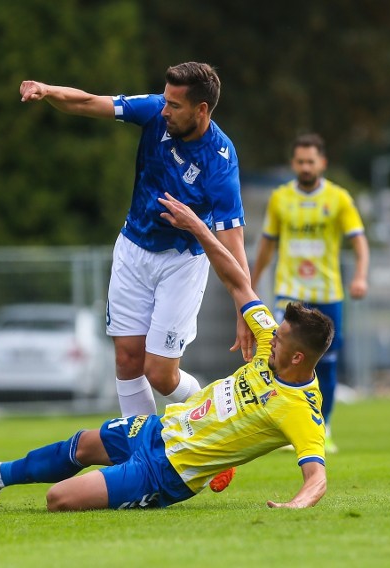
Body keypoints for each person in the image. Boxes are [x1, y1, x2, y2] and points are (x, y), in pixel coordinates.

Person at [0, 192, 333, 511]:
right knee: (82, 444)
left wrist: (293, 506)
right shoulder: (270, 339)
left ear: (298, 358)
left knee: (59, 500)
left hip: (169, 471)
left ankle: (161, 478)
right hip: (160, 429)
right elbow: (235, 280)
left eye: (280, 340)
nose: (271, 339)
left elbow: (317, 478)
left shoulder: (299, 409)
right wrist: (197, 227)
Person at [20, 62, 253, 417]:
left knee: (160, 374)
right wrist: (48, 90)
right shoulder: (155, 112)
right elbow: (88, 103)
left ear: (201, 110)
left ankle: (223, 412)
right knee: (128, 359)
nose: (164, 110)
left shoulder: (220, 160)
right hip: (133, 249)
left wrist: (245, 308)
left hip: (182, 262)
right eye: (165, 100)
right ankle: (140, 455)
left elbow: (232, 240)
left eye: (175, 105)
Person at [250, 134, 369, 453]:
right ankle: (280, 426)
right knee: (276, 356)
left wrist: (359, 276)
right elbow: (267, 244)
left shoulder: (339, 198)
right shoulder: (280, 198)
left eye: (310, 161)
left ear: (322, 163)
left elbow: (359, 241)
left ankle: (323, 427)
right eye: (300, 161)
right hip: (289, 294)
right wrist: (251, 281)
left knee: (327, 365)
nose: (305, 167)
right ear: (293, 163)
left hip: (328, 293)